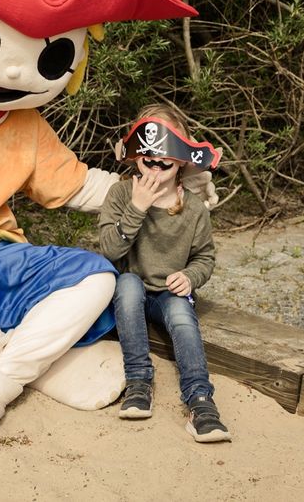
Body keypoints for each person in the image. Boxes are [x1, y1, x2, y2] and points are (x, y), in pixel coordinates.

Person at [98, 103, 231, 443]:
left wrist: (189, 276)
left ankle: (200, 400)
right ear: (135, 153)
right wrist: (137, 207)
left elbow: (205, 257)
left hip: (169, 293)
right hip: (130, 292)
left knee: (182, 316)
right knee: (127, 283)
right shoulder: (120, 194)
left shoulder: (194, 208)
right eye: (148, 149)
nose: (157, 159)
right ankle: (139, 382)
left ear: (182, 157)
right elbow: (110, 250)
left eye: (167, 150)